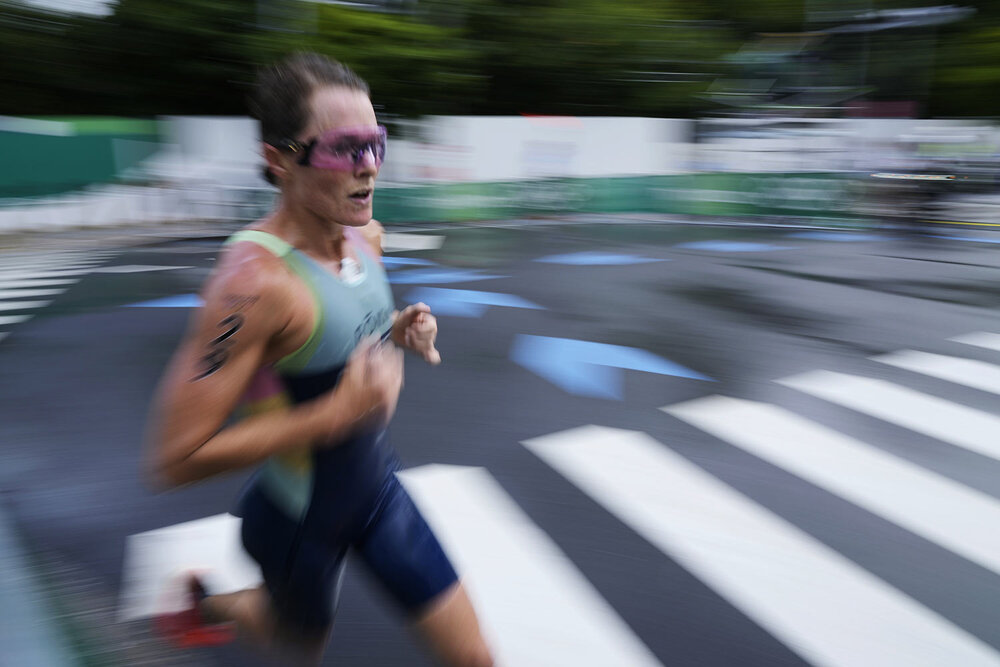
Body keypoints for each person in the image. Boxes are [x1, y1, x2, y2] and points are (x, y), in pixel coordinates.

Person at [144, 52, 493, 667]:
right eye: (342, 148)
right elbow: (175, 458)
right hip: (299, 521)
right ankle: (211, 605)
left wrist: (397, 326)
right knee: (297, 641)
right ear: (278, 161)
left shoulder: (368, 235)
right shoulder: (251, 286)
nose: (368, 170)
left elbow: (333, 331)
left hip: (377, 487)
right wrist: (338, 412)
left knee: (477, 659)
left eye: (376, 144)